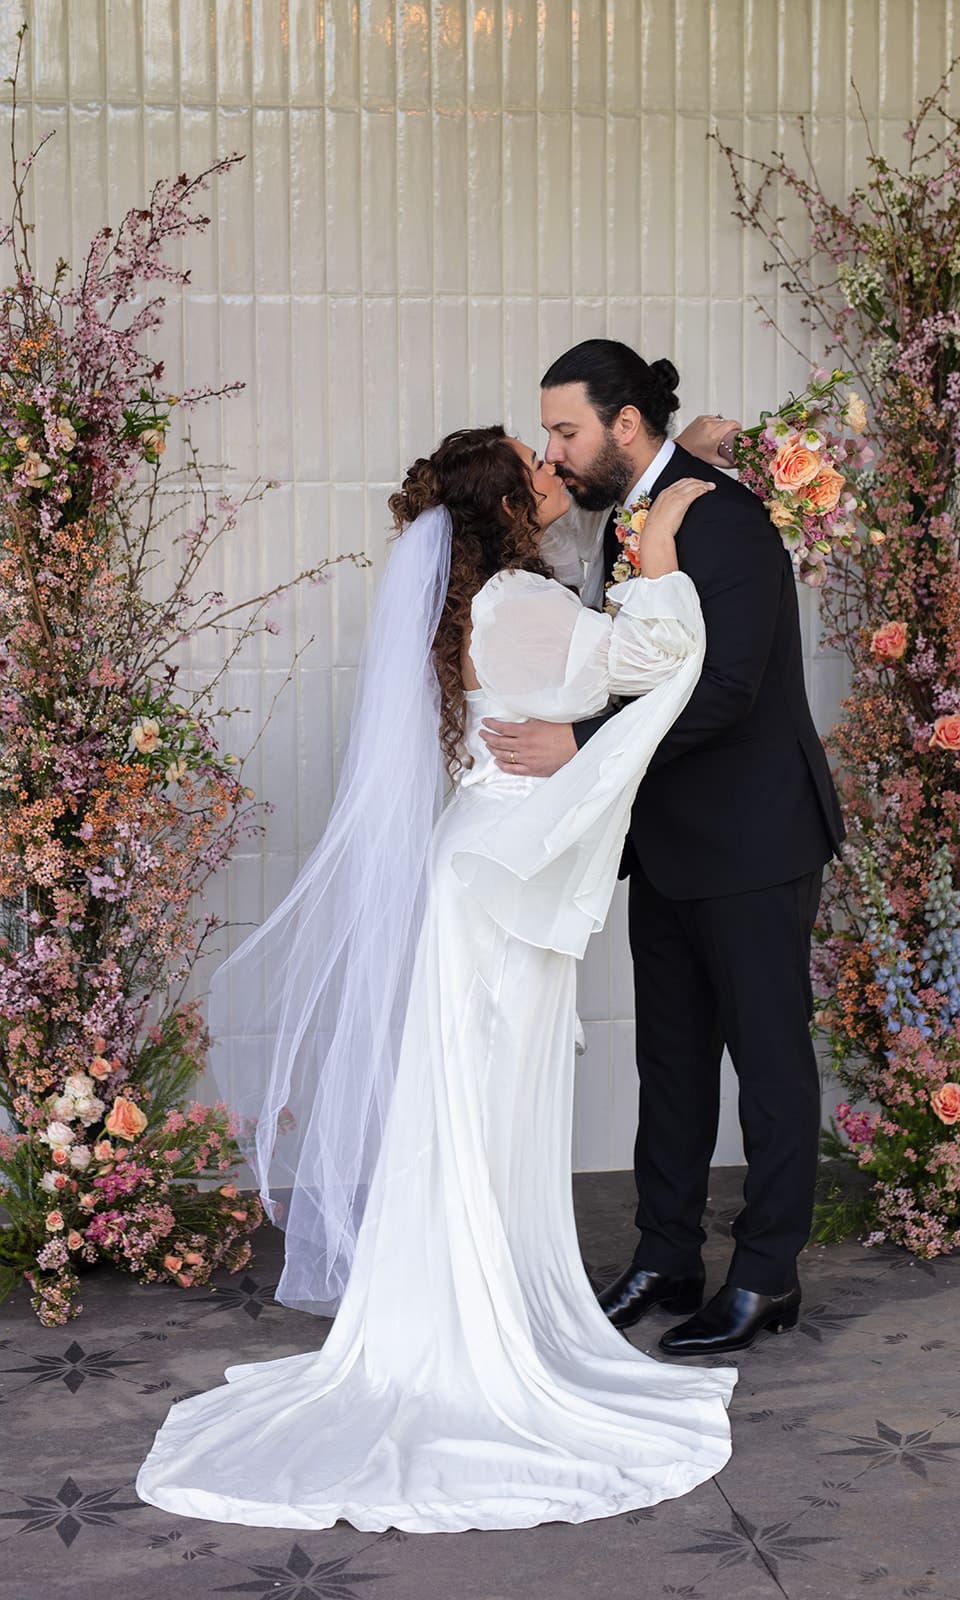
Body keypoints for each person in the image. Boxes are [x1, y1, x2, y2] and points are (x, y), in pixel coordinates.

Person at [136, 424, 736, 1534]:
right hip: (500, 885)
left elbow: (576, 692)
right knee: (480, 1103)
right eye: (538, 464)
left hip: (490, 872)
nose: (556, 471)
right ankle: (465, 1330)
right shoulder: (516, 602)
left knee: (475, 1102)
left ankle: (467, 1299)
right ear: (508, 503)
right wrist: (660, 555)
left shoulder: (494, 601)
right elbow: (657, 661)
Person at [480, 342, 846, 1355]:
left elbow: (723, 690)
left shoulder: (718, 518)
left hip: (755, 835)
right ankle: (665, 1255)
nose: (551, 454)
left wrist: (577, 747)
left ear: (623, 425)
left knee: (766, 1062)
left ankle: (766, 1274)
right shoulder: (635, 510)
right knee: (671, 1060)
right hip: (671, 840)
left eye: (565, 431)